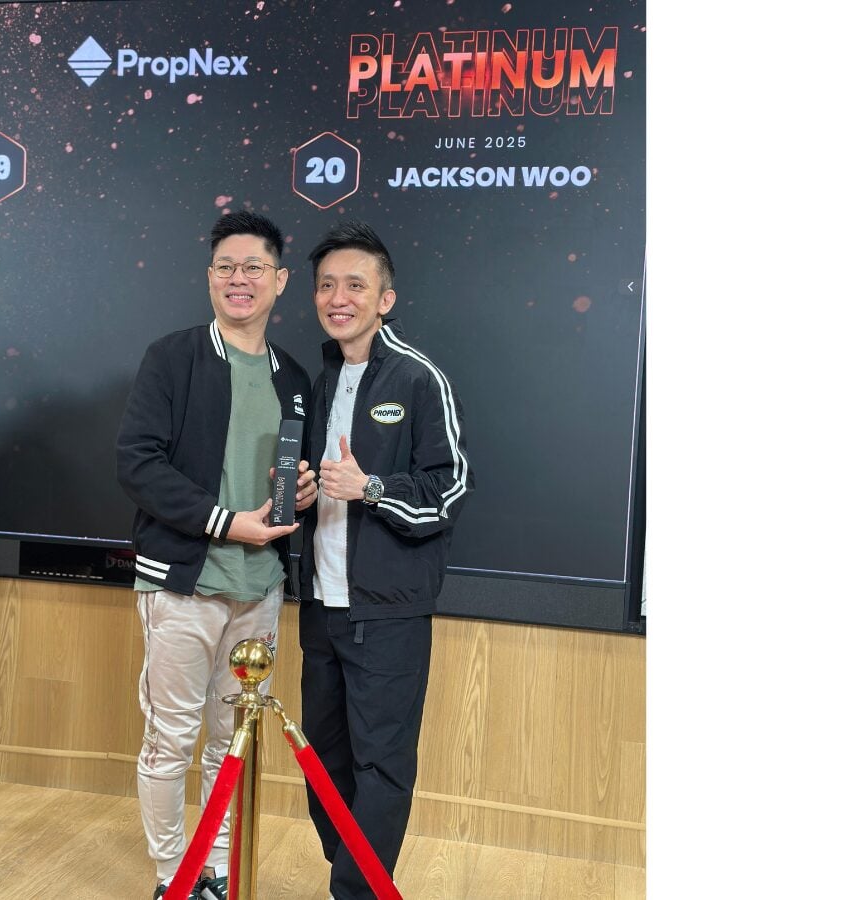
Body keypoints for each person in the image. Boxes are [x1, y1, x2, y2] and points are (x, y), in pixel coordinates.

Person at [116, 210, 317, 900]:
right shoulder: (173, 357)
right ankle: (173, 879)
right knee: (170, 740)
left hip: (260, 588)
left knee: (232, 742)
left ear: (279, 281)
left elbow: (288, 480)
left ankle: (218, 871)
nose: (240, 279)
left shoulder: (294, 377)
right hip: (183, 584)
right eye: (227, 267)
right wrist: (227, 522)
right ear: (209, 278)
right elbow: (137, 463)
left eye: (254, 267)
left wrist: (303, 491)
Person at [296, 221, 474, 900]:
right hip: (322, 608)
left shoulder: (419, 378)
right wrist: (304, 493)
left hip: (389, 613)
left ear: (385, 299)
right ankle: (353, 876)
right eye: (327, 285)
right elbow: (321, 484)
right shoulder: (320, 380)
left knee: (382, 766)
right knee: (323, 761)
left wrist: (371, 488)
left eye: (355, 285)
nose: (338, 298)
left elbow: (448, 489)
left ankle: (357, 892)